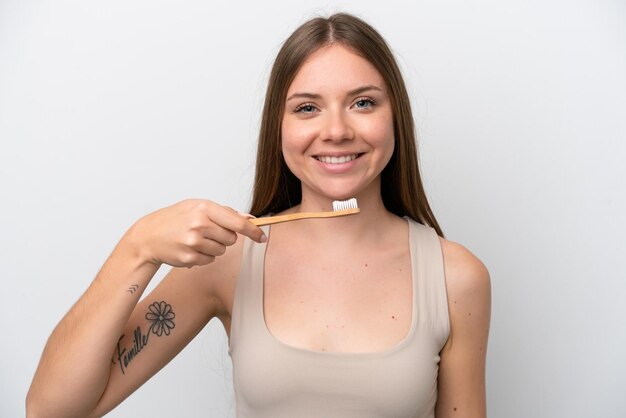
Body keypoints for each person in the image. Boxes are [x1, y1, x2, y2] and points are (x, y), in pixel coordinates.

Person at [26, 12, 491, 418]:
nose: (335, 130)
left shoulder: (456, 278)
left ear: (396, 118)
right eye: (307, 108)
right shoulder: (227, 260)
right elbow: (51, 411)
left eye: (363, 102)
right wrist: (137, 248)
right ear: (279, 126)